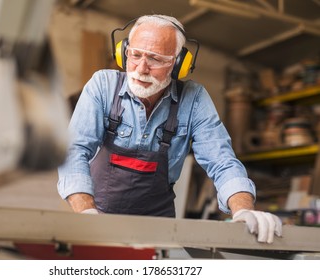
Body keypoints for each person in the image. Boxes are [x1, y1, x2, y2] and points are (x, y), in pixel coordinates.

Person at [57, 14, 282, 243]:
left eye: (155, 59)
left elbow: (222, 161)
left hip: (160, 228)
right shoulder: (102, 86)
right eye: (135, 55)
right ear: (123, 52)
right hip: (98, 217)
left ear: (178, 64)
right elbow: (74, 151)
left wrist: (243, 209)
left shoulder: (194, 99)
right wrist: (87, 213)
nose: (142, 68)